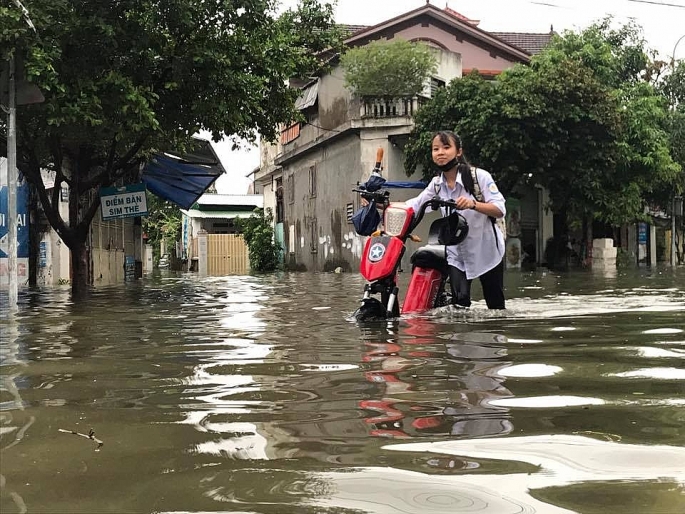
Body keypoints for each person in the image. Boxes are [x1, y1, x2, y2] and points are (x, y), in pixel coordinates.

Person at [405, 131, 506, 309]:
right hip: (457, 253)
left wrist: (473, 204)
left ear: (458, 151)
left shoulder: (479, 177)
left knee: (495, 306)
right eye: (435, 149)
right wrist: (385, 205)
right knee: (459, 304)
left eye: (446, 147)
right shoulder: (436, 185)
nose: (440, 153)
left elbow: (499, 210)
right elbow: (416, 205)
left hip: (486, 251)